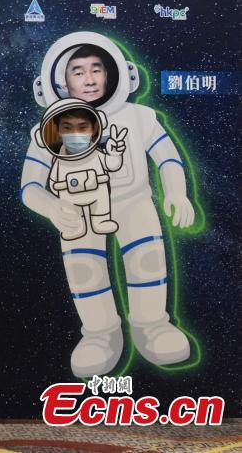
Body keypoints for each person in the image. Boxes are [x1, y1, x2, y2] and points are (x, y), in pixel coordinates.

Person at [20, 32, 194, 377]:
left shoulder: (139, 117)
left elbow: (168, 158)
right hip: (77, 211)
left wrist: (176, 192)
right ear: (61, 81)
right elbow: (30, 186)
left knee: (147, 262)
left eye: (96, 69)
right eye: (78, 71)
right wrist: (52, 208)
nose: (89, 79)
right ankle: (100, 335)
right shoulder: (52, 126)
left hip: (135, 203)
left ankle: (152, 325)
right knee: (84, 270)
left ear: (114, 73)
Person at [38, 100, 127, 240]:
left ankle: (101, 220)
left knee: (101, 205)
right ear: (58, 130)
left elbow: (112, 165)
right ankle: (76, 226)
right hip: (70, 199)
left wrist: (115, 154)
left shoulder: (96, 155)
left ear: (94, 129)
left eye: (83, 127)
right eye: (67, 128)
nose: (75, 134)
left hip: (98, 194)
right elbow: (54, 183)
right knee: (72, 214)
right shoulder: (59, 162)